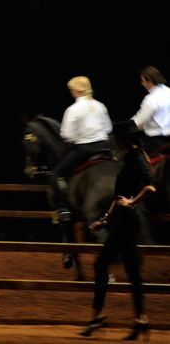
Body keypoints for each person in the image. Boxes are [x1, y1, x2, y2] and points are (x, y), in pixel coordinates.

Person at [79, 119, 156, 341]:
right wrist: (104, 219)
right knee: (132, 272)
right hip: (122, 220)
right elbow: (118, 196)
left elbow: (150, 187)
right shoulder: (130, 158)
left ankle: (98, 316)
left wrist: (132, 202)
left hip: (127, 222)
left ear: (125, 139)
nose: (116, 142)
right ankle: (141, 320)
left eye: (119, 138)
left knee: (100, 264)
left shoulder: (137, 160)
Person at [51, 76, 112, 226]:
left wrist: (77, 137)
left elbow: (67, 135)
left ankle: (63, 210)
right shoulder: (100, 106)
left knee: (57, 175)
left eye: (71, 90)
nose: (71, 92)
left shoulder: (73, 109)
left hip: (85, 149)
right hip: (104, 147)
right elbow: (109, 128)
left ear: (77, 90)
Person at [132, 65, 170, 155]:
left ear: (149, 81)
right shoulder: (168, 91)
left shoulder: (151, 99)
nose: (142, 83)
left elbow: (138, 122)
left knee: (130, 153)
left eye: (143, 81)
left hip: (155, 140)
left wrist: (127, 125)